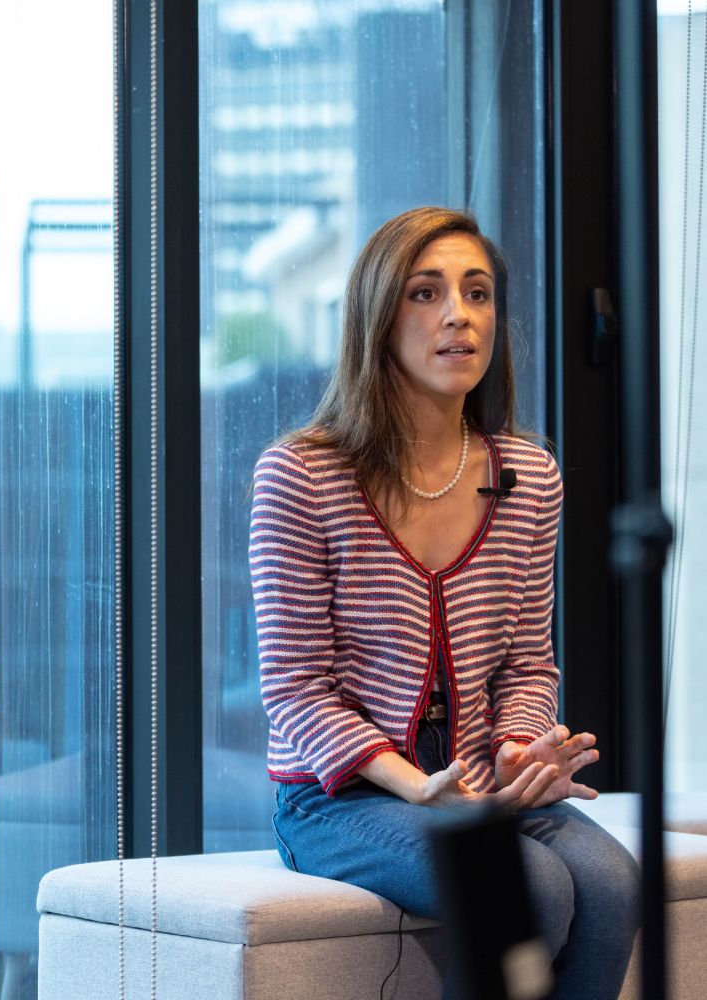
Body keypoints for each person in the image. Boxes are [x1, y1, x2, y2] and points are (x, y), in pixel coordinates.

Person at [250, 206, 640, 998]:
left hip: (471, 777)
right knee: (532, 886)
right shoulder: (300, 475)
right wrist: (411, 782)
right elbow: (294, 690)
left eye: (478, 292)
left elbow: (529, 660)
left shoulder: (527, 475)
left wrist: (520, 751)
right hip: (342, 797)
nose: (458, 314)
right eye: (426, 293)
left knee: (608, 883)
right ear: (377, 317)